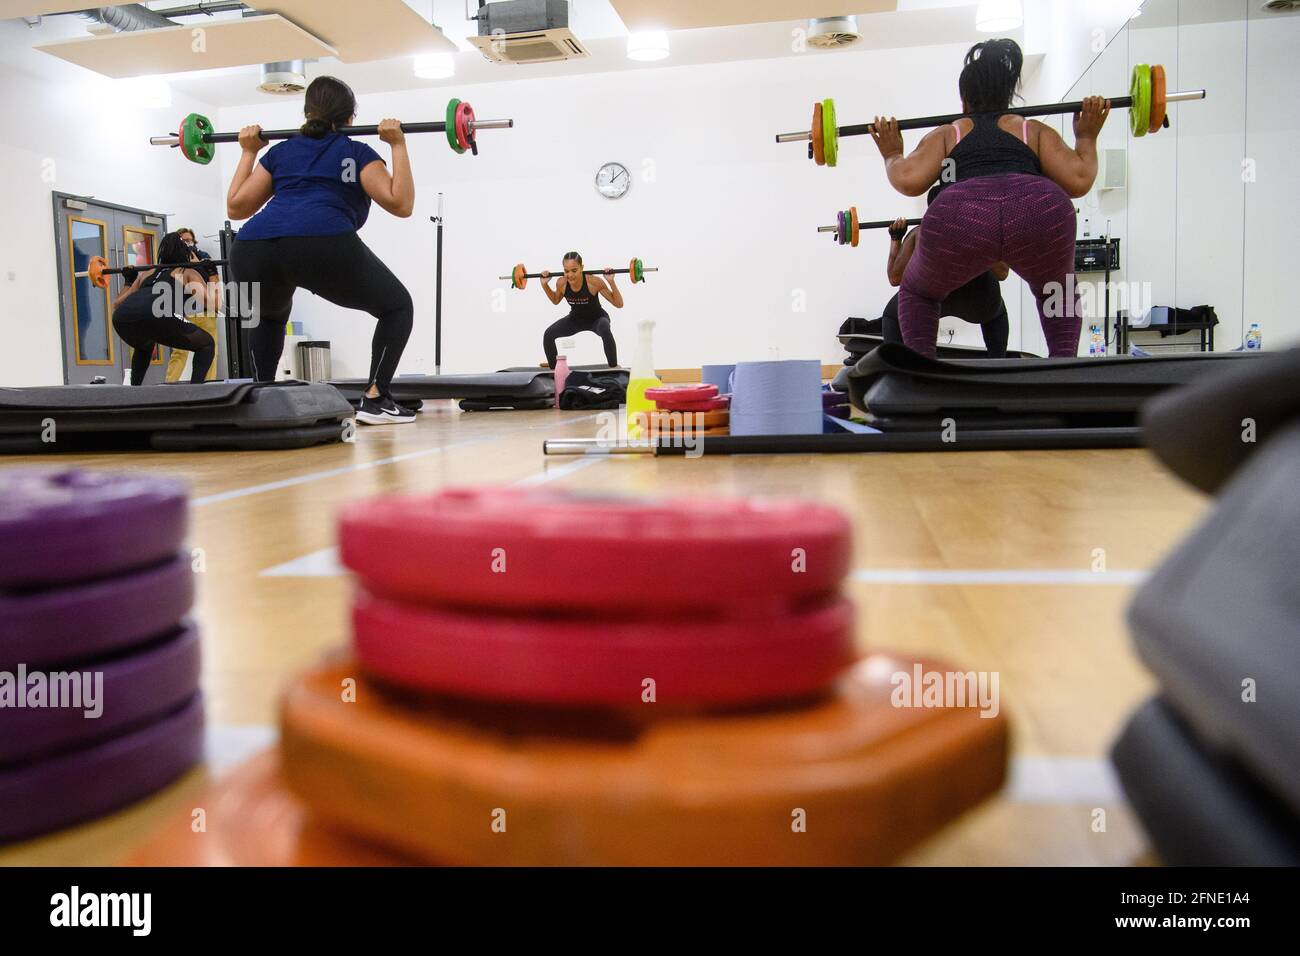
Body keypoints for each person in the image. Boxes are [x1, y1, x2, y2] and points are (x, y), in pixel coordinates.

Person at [869, 38, 1109, 357]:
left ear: (964, 98)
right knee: (1058, 290)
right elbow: (1079, 180)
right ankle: (1062, 372)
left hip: (962, 213)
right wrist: (1087, 136)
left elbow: (908, 180)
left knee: (917, 293)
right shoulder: (1031, 130)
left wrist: (891, 153)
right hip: (1037, 207)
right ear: (1008, 96)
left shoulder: (950, 131)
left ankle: (922, 379)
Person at [226, 75, 417, 425]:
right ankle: (376, 398)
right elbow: (401, 204)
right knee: (397, 307)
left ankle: (261, 399)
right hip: (322, 244)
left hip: (253, 248)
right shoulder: (356, 152)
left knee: (268, 317)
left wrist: (248, 152)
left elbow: (237, 208)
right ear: (349, 118)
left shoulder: (280, 151)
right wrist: (398, 145)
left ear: (306, 111)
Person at [880, 185, 1011, 357]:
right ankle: (998, 365)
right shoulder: (981, 230)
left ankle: (896, 373)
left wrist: (896, 238)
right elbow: (1002, 273)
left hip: (930, 302)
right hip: (978, 303)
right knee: (997, 313)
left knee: (891, 315)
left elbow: (894, 278)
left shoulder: (919, 233)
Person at [111, 231, 215, 386]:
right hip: (157, 314)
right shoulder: (186, 272)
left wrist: (128, 280)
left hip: (122, 318)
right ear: (186, 253)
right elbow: (213, 304)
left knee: (144, 345)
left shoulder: (147, 272)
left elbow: (117, 304)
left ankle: (134, 391)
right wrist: (212, 274)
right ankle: (196, 393)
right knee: (206, 344)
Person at [539, 253, 623, 369]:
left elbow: (619, 304)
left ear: (582, 268)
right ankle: (555, 371)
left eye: (574, 270)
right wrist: (544, 285)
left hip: (596, 319)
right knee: (548, 334)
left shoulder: (593, 282)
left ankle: (613, 369)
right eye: (566, 271)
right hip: (575, 320)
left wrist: (611, 281)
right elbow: (555, 300)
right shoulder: (561, 283)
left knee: (604, 328)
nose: (570, 275)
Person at [164, 227, 222, 382]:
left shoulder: (204, 258)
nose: (188, 244)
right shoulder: (172, 260)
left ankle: (208, 384)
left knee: (211, 350)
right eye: (184, 240)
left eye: (190, 240)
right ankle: (169, 383)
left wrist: (200, 265)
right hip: (184, 311)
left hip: (205, 311)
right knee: (179, 351)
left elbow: (211, 280)